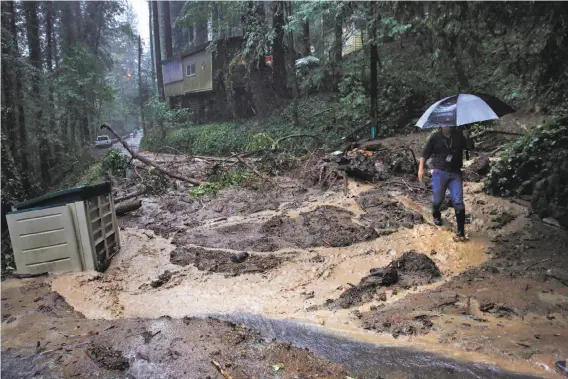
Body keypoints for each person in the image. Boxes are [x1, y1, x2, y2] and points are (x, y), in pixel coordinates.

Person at [418, 126, 473, 242]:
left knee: (458, 201)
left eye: (449, 124)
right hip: (439, 173)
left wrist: (468, 138)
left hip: (455, 173)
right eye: (444, 124)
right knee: (438, 199)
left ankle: (460, 232)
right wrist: (421, 169)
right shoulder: (435, 137)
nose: (447, 126)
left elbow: (470, 148)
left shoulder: (459, 135)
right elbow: (424, 154)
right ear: (440, 125)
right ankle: (436, 214)